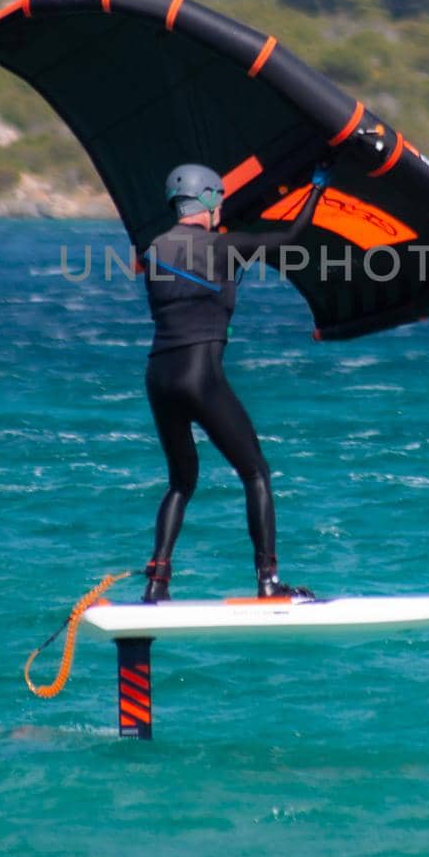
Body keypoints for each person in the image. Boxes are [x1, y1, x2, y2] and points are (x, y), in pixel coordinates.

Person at [140, 161, 329, 604]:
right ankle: (267, 582)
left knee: (181, 482)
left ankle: (156, 584)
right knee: (255, 472)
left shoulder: (152, 250)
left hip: (159, 376)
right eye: (217, 199)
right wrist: (316, 188)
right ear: (205, 199)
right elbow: (291, 237)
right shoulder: (223, 249)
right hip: (199, 375)